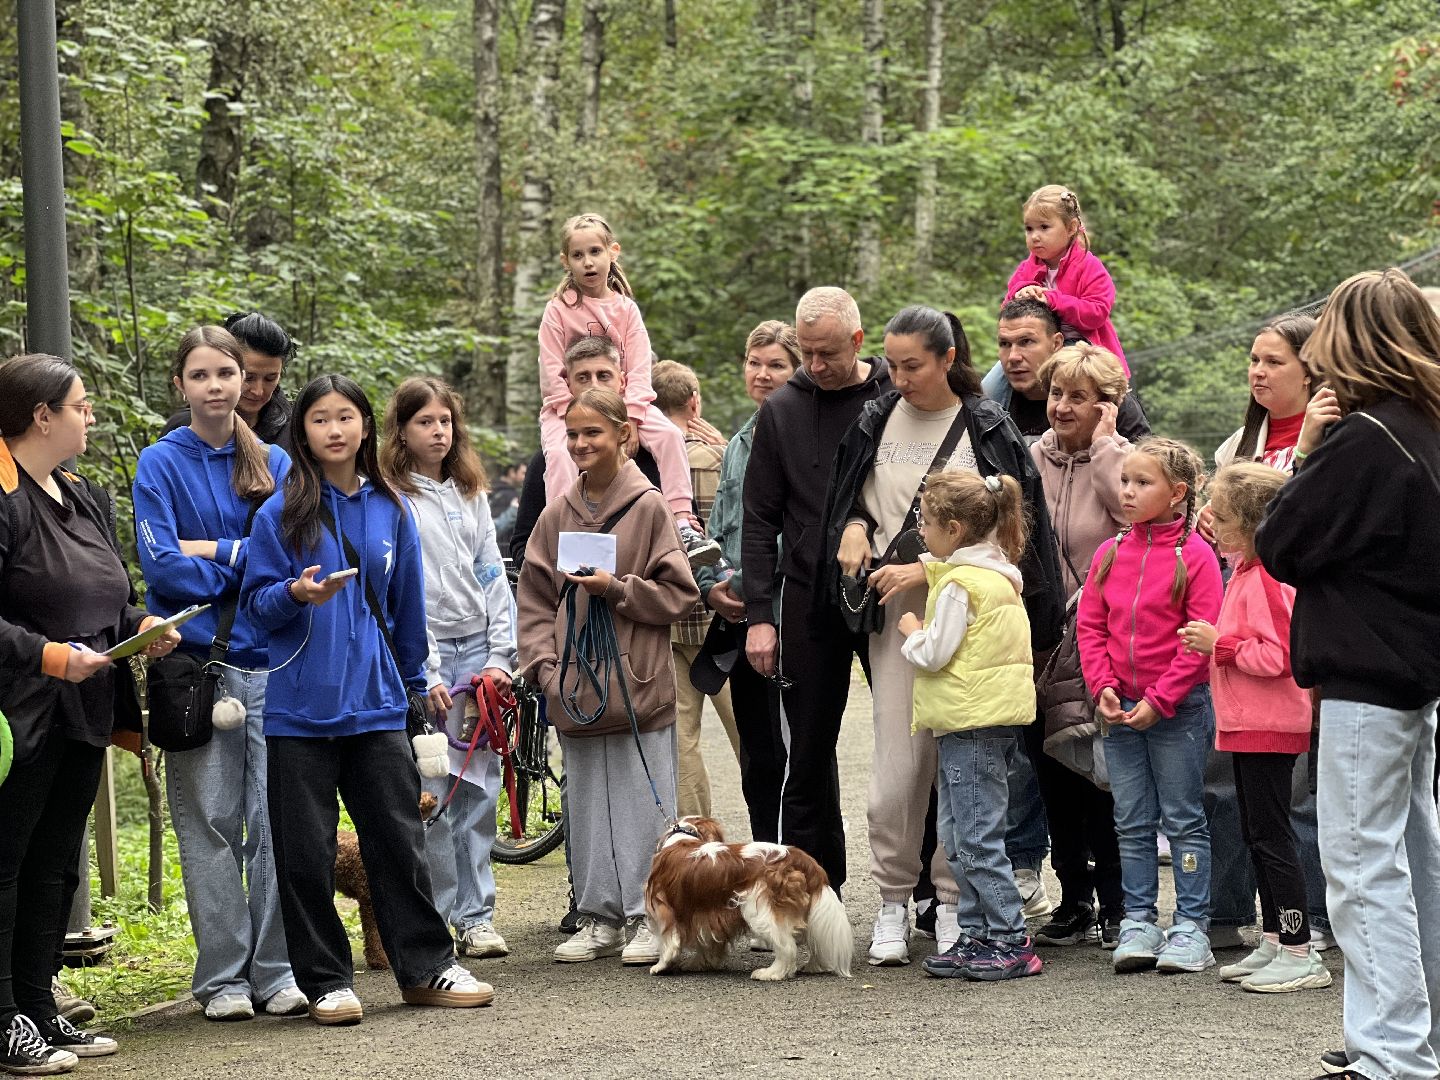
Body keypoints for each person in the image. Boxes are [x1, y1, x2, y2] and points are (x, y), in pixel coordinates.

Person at [241, 374, 491, 1026]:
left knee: (398, 841)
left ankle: (426, 967)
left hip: (377, 705)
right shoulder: (280, 512)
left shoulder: (389, 508)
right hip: (299, 710)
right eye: (320, 419)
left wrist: (414, 685)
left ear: (364, 427)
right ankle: (326, 981)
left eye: (345, 417)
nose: (334, 429)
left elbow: (408, 612)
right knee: (306, 853)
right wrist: (295, 594)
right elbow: (255, 609)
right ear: (303, 431)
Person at [819, 305, 1064, 965]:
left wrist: (933, 566)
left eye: (913, 365)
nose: (898, 378)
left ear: (948, 357)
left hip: (971, 618)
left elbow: (1017, 533)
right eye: (892, 365)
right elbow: (853, 497)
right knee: (899, 771)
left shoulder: (988, 424)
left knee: (969, 770)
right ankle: (894, 901)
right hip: (897, 620)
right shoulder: (874, 419)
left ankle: (957, 905)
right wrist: (851, 526)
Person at [1255, 269, 1440, 1080]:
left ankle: (1393, 1054)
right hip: (1416, 671)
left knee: (1363, 871)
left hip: (1368, 674)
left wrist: (1309, 452)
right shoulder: (1427, 424)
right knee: (1414, 861)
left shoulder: (1365, 437)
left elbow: (1282, 541)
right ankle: (1420, 1035)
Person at [0, 353, 181, 1072]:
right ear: (41, 415)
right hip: (17, 717)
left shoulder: (84, 493)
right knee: (6, 866)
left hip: (86, 709)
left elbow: (110, 598)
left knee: (54, 868)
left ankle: (39, 1007)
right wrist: (49, 656)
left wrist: (148, 625)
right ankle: (3, 1019)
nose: (90, 415)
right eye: (80, 405)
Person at [132, 327, 301, 1021]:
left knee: (272, 823)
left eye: (226, 373)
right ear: (181, 385)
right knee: (208, 823)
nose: (216, 386)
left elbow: (286, 558)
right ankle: (223, 979)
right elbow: (162, 566)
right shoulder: (158, 463)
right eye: (200, 374)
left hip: (273, 664)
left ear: (245, 381)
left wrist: (214, 549)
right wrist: (241, 552)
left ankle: (276, 969)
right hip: (198, 667)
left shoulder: (279, 463)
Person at [516, 388, 699, 965]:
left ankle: (651, 915)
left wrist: (617, 589)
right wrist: (545, 668)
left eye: (592, 433)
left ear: (624, 434)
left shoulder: (648, 509)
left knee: (643, 802)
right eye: (572, 435)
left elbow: (679, 593)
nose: (580, 445)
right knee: (588, 802)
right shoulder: (556, 513)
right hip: (575, 687)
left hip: (637, 683)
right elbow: (535, 600)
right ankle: (599, 917)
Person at [742, 287, 891, 892]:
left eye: (827, 353)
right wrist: (760, 614)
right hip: (806, 596)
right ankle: (808, 892)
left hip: (885, 589)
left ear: (858, 341)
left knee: (910, 743)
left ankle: (928, 895)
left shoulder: (893, 398)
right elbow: (759, 519)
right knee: (805, 753)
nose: (816, 365)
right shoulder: (782, 409)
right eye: (806, 353)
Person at [1200, 314, 1330, 952]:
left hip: (1298, 627)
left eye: (1273, 361)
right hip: (1242, 612)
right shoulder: (1235, 446)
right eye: (1253, 359)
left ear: (1311, 369)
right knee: (1230, 788)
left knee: (1295, 797)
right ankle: (1233, 914)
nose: (1257, 372)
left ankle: (1308, 927)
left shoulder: (1330, 434)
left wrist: (1304, 446)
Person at [1179, 463, 1330, 994]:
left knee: (1272, 837)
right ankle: (1275, 938)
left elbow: (1281, 655)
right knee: (1257, 832)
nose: (1210, 522)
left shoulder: (1265, 576)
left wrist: (1218, 644)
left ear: (1249, 524)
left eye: (1220, 516)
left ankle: (1299, 947)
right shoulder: (1246, 569)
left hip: (1269, 722)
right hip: (1247, 724)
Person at [380, 376, 517, 961]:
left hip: (477, 657)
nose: (439, 432)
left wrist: (499, 656)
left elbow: (491, 570)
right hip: (428, 662)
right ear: (402, 431)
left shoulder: (469, 491)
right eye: (425, 423)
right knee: (435, 791)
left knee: (479, 792)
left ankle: (478, 915)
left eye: (445, 422)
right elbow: (402, 592)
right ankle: (436, 917)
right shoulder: (390, 497)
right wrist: (426, 671)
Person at [1077, 438, 1223, 975]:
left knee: (1184, 820)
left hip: (1177, 712)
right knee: (1131, 821)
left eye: (1143, 483)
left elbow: (1198, 642)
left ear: (1178, 492)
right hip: (1118, 709)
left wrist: (1160, 701)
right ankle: (1137, 920)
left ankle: (1192, 926)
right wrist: (1103, 687)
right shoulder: (1110, 551)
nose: (1129, 492)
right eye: (1126, 481)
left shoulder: (1198, 556)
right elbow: (1091, 625)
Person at [896, 471, 1042, 983]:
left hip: (972, 721)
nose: (921, 532)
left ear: (954, 529)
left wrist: (912, 632)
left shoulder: (961, 585)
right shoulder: (994, 576)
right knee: (958, 836)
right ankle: (977, 934)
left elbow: (936, 654)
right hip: (978, 720)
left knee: (976, 838)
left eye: (926, 522)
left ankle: (1009, 937)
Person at [535, 213, 714, 566]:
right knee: (558, 455)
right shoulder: (557, 312)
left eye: (595, 252)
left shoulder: (626, 310)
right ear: (565, 261)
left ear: (612, 252)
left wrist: (630, 417)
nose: (588, 262)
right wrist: (572, 414)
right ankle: (564, 532)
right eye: (578, 255)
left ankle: (684, 523)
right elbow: (551, 372)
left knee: (668, 435)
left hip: (625, 407)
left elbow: (639, 367)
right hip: (570, 409)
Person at [1027, 343, 1130, 949]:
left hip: (1101, 639)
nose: (1061, 406)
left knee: (1099, 771)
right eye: (1056, 393)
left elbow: (1134, 519)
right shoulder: (1029, 456)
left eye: (1078, 397)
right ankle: (1072, 899)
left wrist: (1106, 451)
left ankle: (1118, 902)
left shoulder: (1122, 459)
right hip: (1040, 639)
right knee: (1050, 769)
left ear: (1107, 406)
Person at [693, 321, 799, 846]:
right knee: (758, 753)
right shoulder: (736, 442)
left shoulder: (804, 437)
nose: (762, 374)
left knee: (800, 751)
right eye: (754, 363)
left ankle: (804, 868)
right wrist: (711, 584)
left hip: (789, 614)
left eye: (776, 365)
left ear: (798, 371)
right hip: (737, 618)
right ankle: (763, 857)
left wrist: (758, 588)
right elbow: (720, 528)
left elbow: (798, 533)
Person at [651, 360, 740, 817]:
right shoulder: (721, 459)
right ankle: (776, 825)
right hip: (721, 619)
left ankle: (697, 838)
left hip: (670, 620)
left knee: (681, 741)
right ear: (694, 403)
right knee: (750, 733)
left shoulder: (646, 465)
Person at [510, 337, 664, 570]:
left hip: (636, 597)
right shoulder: (550, 461)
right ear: (568, 385)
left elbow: (675, 540)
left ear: (622, 381)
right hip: (567, 597)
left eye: (603, 376)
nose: (594, 385)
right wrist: (557, 571)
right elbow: (523, 544)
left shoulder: (654, 457)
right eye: (583, 377)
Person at [989, 299, 1150, 442]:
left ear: (1056, 343)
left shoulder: (1110, 399)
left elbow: (1146, 469)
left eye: (1026, 341)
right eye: (1004, 344)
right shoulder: (990, 407)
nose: (1013, 357)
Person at [161, 312, 295, 452]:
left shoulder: (293, 430)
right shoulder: (183, 428)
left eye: (270, 378)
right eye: (248, 378)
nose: (258, 391)